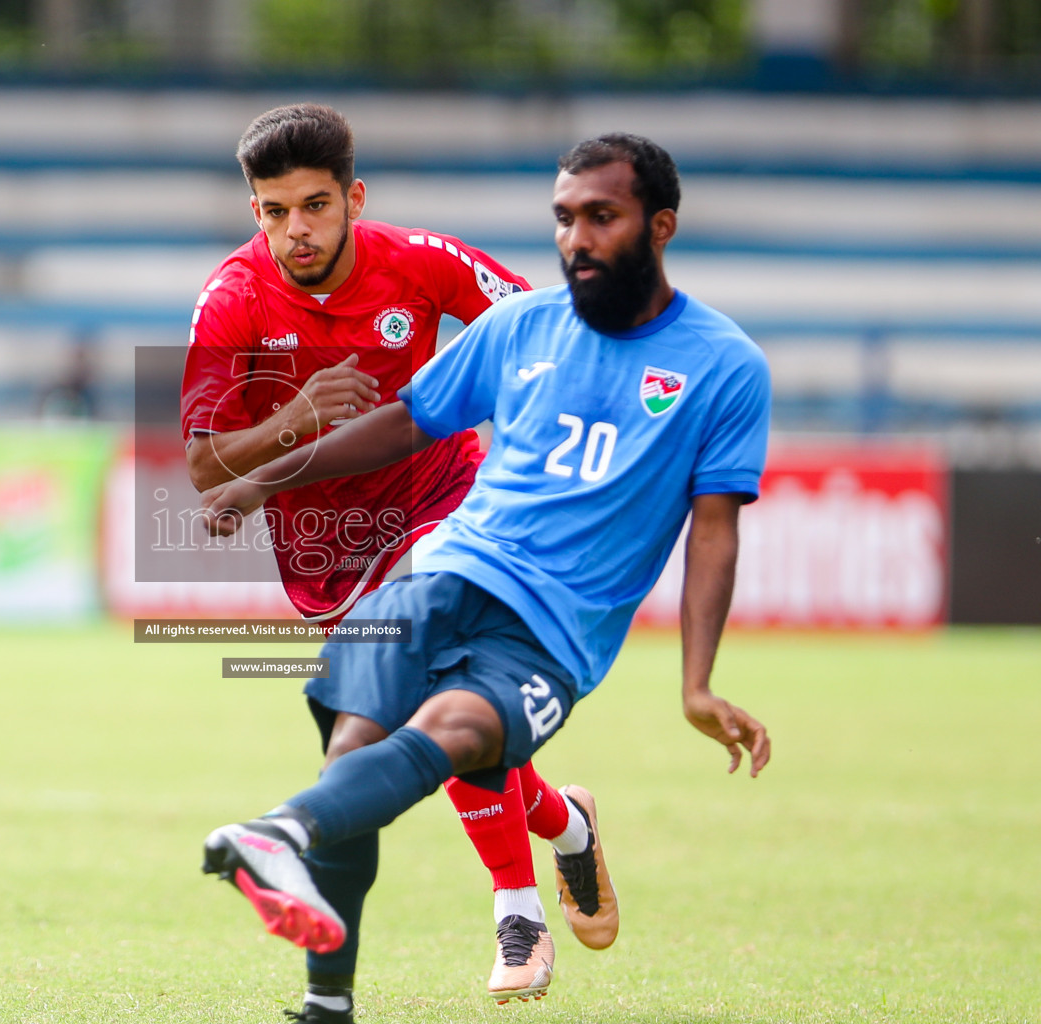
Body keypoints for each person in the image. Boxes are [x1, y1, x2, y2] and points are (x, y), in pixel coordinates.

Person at [197, 132, 773, 1009]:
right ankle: (546, 833)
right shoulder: (240, 296)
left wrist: (698, 683)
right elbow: (244, 455)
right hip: (371, 552)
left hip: (462, 534)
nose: (576, 238)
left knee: (451, 723)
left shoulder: (720, 363)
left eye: (600, 217)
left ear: (659, 227)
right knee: (363, 743)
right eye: (564, 219)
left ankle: (513, 909)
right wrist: (270, 468)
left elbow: (713, 528)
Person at [180, 104, 613, 1019]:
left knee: (439, 691)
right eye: (272, 211)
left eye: (314, 204)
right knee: (417, 731)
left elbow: (551, 332)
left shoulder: (422, 261)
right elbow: (204, 465)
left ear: (353, 198)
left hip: (446, 504)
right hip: (327, 551)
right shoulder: (232, 299)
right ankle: (566, 825)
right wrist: (296, 415)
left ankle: (517, 909)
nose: (295, 229)